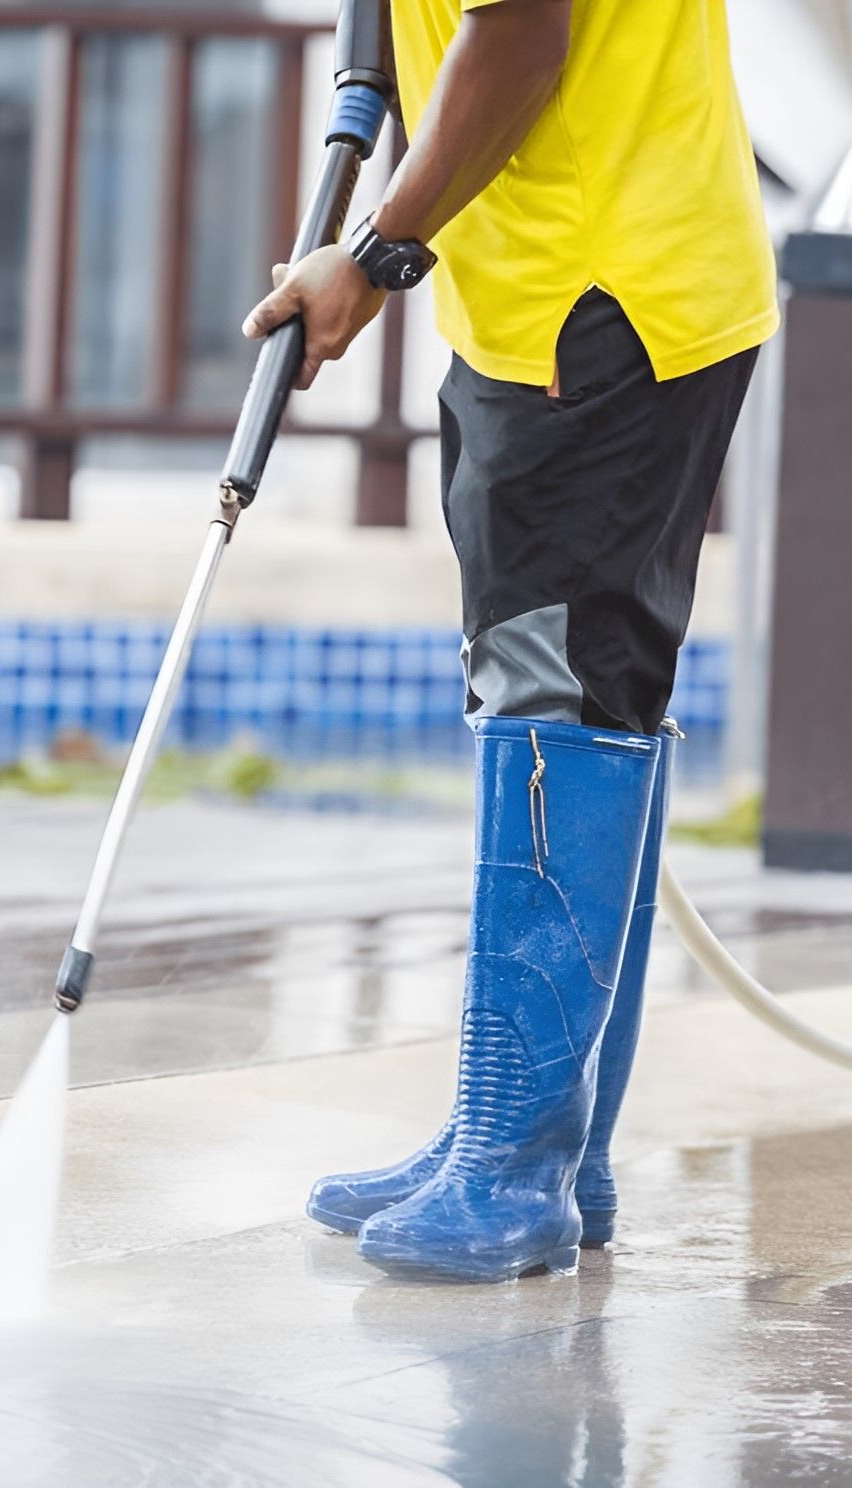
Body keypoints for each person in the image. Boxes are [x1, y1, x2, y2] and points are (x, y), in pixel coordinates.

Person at [244, 0, 778, 1282]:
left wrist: (370, 255)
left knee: (559, 703)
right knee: (558, 695)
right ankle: (542, 1145)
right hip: (545, 303)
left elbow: (521, 35)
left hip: (602, 308)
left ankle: (514, 1164)